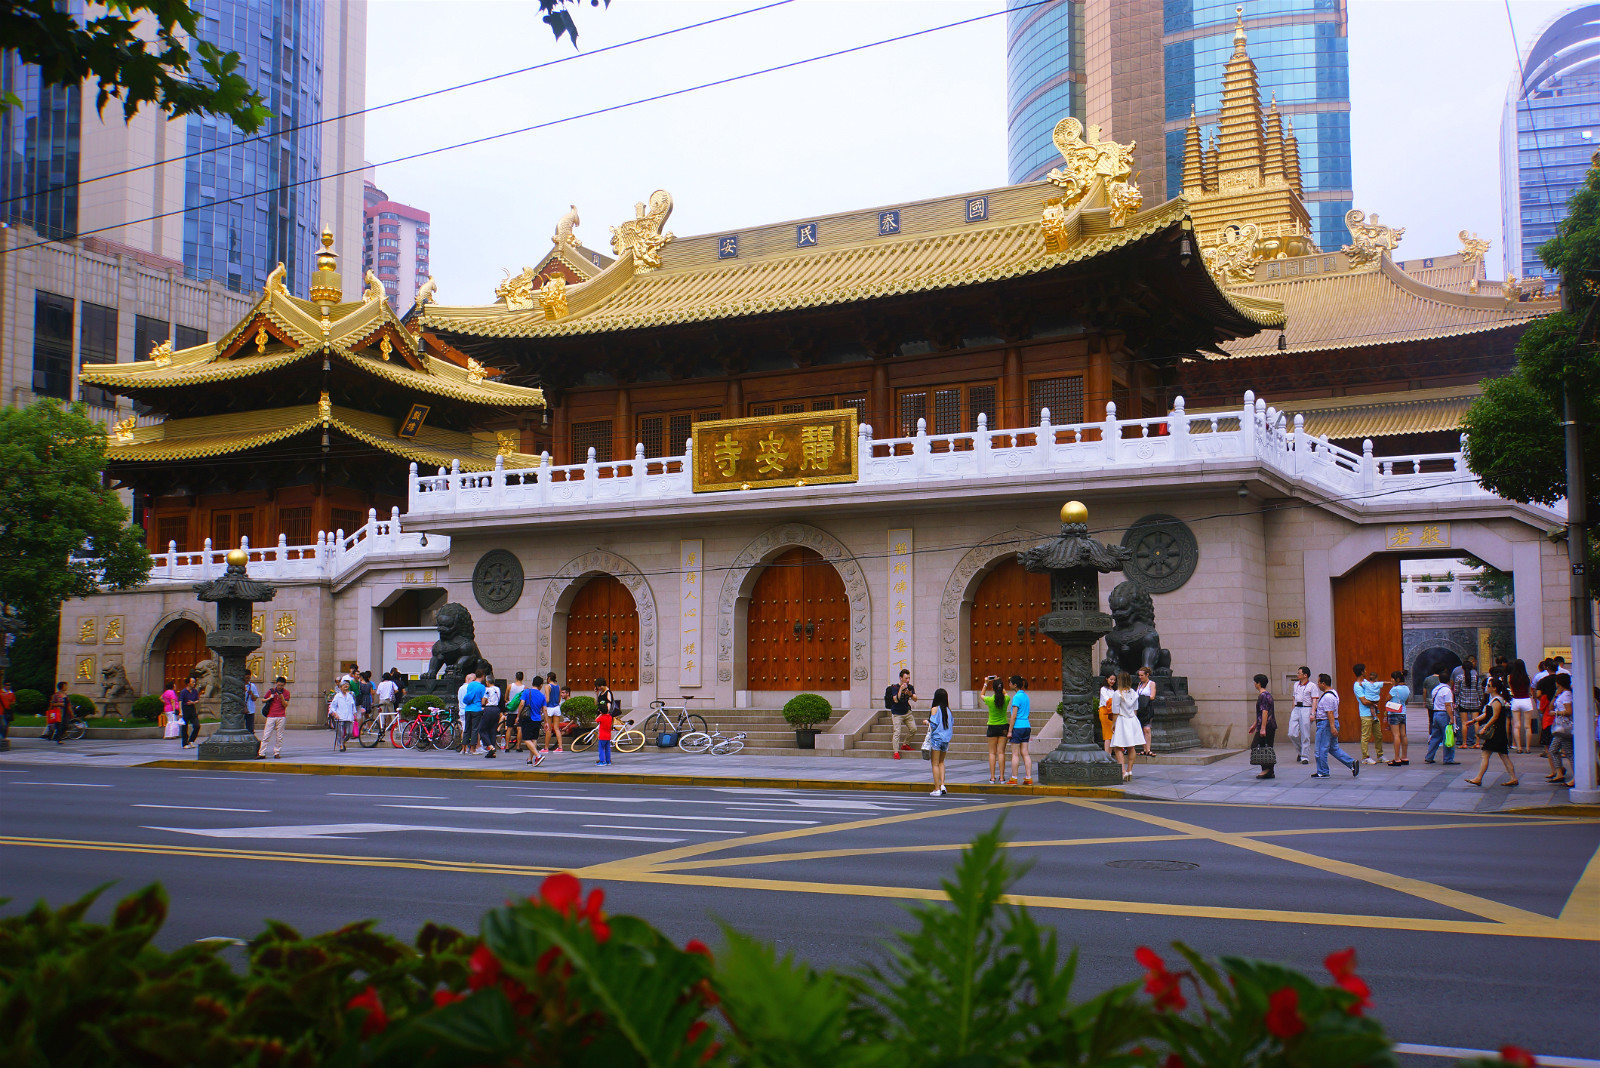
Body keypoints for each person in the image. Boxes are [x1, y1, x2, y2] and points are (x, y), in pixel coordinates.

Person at [1465, 676, 1518, 788]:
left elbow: (1494, 717)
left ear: (1494, 688)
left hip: (1496, 732)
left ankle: (1479, 778)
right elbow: (1486, 714)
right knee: (1503, 755)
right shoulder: (1494, 700)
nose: (1486, 687)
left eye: (1489, 686)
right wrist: (1474, 720)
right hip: (1498, 732)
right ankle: (1513, 778)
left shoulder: (1497, 700)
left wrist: (1485, 727)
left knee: (1487, 755)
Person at [1313, 672, 1359, 778]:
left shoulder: (1328, 697)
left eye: (1318, 682)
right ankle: (1351, 763)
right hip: (1329, 724)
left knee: (1321, 749)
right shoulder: (1333, 693)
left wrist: (1332, 727)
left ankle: (1323, 771)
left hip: (1325, 724)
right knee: (1333, 748)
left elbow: (1330, 713)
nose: (1317, 685)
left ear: (1323, 683)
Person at [1108, 672, 1143, 782]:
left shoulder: (1117, 693)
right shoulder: (1134, 693)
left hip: (1122, 720)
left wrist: (1113, 724)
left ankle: (1123, 771)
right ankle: (1129, 770)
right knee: (1131, 747)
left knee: (1118, 747)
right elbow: (1135, 709)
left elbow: (1115, 711)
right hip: (1132, 720)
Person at [921, 688, 954, 796]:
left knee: (934, 763)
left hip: (937, 739)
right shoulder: (948, 711)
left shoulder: (935, 709)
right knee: (941, 762)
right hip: (946, 739)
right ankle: (943, 784)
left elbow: (933, 725)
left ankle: (936, 788)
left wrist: (926, 722)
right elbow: (952, 723)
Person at [1352, 663, 1383, 765]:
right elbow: (1364, 701)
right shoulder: (1357, 686)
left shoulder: (1366, 682)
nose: (1366, 672)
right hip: (1365, 713)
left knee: (1378, 735)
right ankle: (1365, 757)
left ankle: (1380, 755)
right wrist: (1374, 703)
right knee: (1365, 736)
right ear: (1361, 672)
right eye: (1365, 670)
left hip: (1374, 713)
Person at [1424, 673, 1458, 765]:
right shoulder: (1447, 691)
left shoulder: (1436, 689)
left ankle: (1429, 757)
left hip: (1435, 713)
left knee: (1435, 737)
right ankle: (1448, 758)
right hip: (1444, 714)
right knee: (1448, 736)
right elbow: (1447, 705)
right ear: (1449, 681)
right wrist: (1451, 718)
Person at [1004, 675, 1032, 786]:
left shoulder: (1016, 697)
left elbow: (1013, 716)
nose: (1009, 684)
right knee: (1025, 753)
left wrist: (1010, 731)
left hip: (1018, 727)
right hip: (1026, 726)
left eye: (1010, 683)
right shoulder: (1026, 696)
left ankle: (1014, 778)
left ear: (1015, 685)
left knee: (1015, 754)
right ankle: (1028, 777)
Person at [1549, 673, 1575, 788]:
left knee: (1558, 750)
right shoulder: (1562, 694)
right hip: (1561, 727)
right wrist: (1555, 695)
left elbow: (1569, 711)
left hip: (1565, 727)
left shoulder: (1567, 695)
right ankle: (1560, 772)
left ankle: (1573, 775)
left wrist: (1556, 713)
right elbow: (1551, 707)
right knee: (1564, 750)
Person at [981, 675, 1008, 785]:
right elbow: (1005, 693)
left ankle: (992, 778)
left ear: (993, 689)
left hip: (992, 726)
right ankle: (1001, 777)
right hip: (1003, 727)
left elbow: (982, 695)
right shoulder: (1006, 699)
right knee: (1001, 752)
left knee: (992, 753)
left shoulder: (990, 700)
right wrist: (999, 682)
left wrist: (986, 683)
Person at [885, 669, 916, 760]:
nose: (908, 680)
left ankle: (906, 744)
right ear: (901, 678)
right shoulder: (894, 687)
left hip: (907, 712)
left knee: (913, 729)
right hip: (897, 713)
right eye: (906, 678)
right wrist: (901, 690)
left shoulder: (910, 687)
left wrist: (910, 694)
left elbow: (915, 699)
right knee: (897, 732)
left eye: (909, 678)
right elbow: (896, 700)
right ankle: (896, 752)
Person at [1452, 658, 1484, 747]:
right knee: (1476, 723)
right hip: (1475, 703)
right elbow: (1479, 691)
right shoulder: (1477, 678)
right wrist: (1481, 700)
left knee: (1464, 723)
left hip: (1463, 703)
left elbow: (1456, 691)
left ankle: (1464, 743)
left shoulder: (1459, 678)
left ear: (1462, 668)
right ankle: (1477, 743)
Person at [1250, 673, 1276, 780]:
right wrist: (1255, 724)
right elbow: (1261, 713)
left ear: (1259, 683)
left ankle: (1267, 769)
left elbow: (1265, 712)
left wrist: (1263, 727)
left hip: (1267, 726)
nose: (1254, 684)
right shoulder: (1266, 695)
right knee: (1265, 747)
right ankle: (1268, 770)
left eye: (1255, 682)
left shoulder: (1263, 696)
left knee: (1259, 746)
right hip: (1267, 725)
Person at [257, 675, 290, 758]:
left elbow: (285, 705)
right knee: (266, 735)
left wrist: (282, 698)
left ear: (284, 685)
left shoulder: (286, 693)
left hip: (281, 716)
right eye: (278, 685)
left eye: (282, 685)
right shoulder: (271, 691)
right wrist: (269, 698)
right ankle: (262, 753)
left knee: (279, 736)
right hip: (271, 715)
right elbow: (263, 700)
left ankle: (277, 752)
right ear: (276, 683)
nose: (280, 687)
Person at [1289, 666, 1316, 765]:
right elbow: (1293, 698)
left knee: (1305, 734)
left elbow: (1314, 700)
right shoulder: (1296, 685)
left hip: (1306, 708)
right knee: (1292, 733)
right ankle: (1301, 751)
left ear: (1305, 675)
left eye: (1299, 673)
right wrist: (1293, 710)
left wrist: (1313, 713)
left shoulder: (1312, 686)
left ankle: (1305, 756)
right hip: (1297, 708)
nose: (1297, 675)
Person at [1507, 659, 1535, 754]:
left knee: (1516, 726)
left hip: (1516, 700)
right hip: (1526, 700)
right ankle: (1527, 748)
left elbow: (1511, 690)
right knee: (1527, 726)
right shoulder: (1528, 677)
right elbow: (1529, 691)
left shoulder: (1510, 677)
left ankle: (1518, 747)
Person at [1384, 670, 1411, 766]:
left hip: (1394, 712)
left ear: (1397, 679)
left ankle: (1396, 758)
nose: (1391, 680)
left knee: (1396, 735)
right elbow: (1406, 702)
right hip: (1403, 712)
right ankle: (1405, 757)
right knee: (1403, 735)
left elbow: (1386, 699)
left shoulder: (1394, 689)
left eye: (1392, 678)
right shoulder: (1407, 689)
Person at [519, 675, 548, 765]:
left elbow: (521, 704)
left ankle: (538, 755)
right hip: (537, 719)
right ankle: (530, 759)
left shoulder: (526, 692)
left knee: (526, 739)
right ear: (540, 685)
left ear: (532, 683)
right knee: (534, 739)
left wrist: (518, 715)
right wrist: (546, 722)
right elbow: (545, 710)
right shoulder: (542, 696)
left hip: (528, 718)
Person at [478, 671, 502, 758]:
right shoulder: (498, 689)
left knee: (482, 729)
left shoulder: (488, 690)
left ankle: (490, 747)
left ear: (487, 682)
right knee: (492, 730)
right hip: (496, 709)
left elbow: (483, 701)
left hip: (489, 709)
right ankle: (493, 751)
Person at [328, 678, 356, 751]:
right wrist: (335, 713)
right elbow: (333, 706)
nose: (346, 688)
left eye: (347, 686)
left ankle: (343, 741)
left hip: (349, 716)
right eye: (344, 686)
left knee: (349, 732)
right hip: (340, 716)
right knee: (340, 732)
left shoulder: (350, 696)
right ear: (340, 688)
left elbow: (353, 706)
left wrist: (354, 714)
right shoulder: (337, 696)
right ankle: (341, 745)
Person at [1135, 665, 1156, 757]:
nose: (1140, 677)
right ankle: (1144, 749)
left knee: (1146, 729)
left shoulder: (1151, 683)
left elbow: (1152, 696)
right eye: (1139, 675)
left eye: (1142, 675)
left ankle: (1148, 749)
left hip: (1147, 707)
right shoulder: (1139, 684)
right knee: (1141, 729)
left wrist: (1143, 698)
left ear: (1147, 675)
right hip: (1140, 708)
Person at [458, 672, 481, 755]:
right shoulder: (469, 687)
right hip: (468, 710)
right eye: (473, 680)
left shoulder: (461, 688)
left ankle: (464, 748)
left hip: (462, 710)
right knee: (473, 729)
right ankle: (473, 748)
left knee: (464, 729)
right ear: (468, 680)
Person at [1098, 671, 1118, 758]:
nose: (1112, 681)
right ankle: (1107, 754)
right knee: (1107, 733)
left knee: (1111, 733)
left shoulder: (1113, 690)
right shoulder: (1103, 689)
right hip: (1104, 711)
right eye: (1111, 679)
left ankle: (1109, 753)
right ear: (1106, 679)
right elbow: (1107, 700)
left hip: (1112, 712)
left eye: (1114, 680)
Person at [178, 675, 200, 748]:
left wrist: (193, 702)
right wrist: (180, 711)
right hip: (185, 709)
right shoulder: (183, 692)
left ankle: (191, 740)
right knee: (185, 727)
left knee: (197, 725)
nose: (194, 683)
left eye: (194, 682)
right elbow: (180, 701)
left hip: (192, 709)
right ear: (188, 683)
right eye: (192, 682)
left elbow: (197, 700)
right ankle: (185, 743)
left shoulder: (195, 691)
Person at [595, 701, 614, 766]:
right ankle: (608, 761)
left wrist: (600, 714)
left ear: (601, 711)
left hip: (602, 736)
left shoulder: (601, 718)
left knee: (601, 749)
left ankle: (602, 761)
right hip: (608, 736)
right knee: (608, 749)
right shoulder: (610, 717)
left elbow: (596, 720)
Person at [243, 669, 259, 735]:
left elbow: (255, 698)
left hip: (250, 709)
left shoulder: (252, 686)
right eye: (246, 678)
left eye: (249, 678)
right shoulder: (239, 685)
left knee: (250, 727)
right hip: (241, 709)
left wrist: (251, 694)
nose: (247, 680)